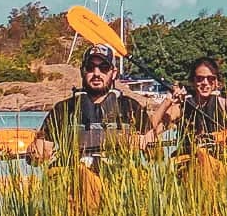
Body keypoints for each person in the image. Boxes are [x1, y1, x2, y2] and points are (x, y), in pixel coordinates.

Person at [29, 41, 157, 166]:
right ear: (82, 72)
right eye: (90, 68)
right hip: (76, 174)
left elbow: (156, 156)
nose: (96, 73)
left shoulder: (131, 107)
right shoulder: (63, 109)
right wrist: (37, 152)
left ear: (114, 73)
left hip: (119, 174)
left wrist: (145, 143)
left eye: (104, 68)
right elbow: (38, 158)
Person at [158, 55, 227, 151]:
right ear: (193, 81)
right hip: (190, 158)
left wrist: (217, 137)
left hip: (222, 156)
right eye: (200, 78)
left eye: (210, 78)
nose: (205, 82)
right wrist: (167, 101)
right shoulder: (182, 107)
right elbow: (153, 127)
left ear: (217, 82)